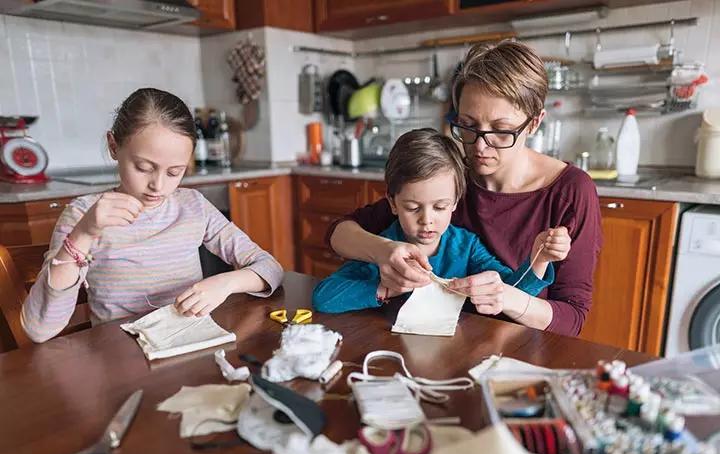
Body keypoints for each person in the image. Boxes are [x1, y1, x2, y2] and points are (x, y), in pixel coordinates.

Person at [325, 40, 602, 336]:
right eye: (468, 126)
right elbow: (340, 232)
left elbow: (572, 318)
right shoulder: (448, 175)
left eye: (499, 130)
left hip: (518, 350)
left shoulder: (571, 192)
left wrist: (506, 297)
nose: (479, 147)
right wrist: (383, 251)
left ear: (534, 123)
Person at [22, 88, 284, 343]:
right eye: (144, 168)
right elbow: (39, 329)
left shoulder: (193, 206)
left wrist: (226, 283)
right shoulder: (82, 215)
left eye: (174, 172)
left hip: (188, 345)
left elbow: (270, 268)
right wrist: (83, 234)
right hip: (121, 355)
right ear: (113, 146)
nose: (158, 185)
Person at [312, 128, 570, 314]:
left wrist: (539, 260)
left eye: (440, 207)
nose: (427, 220)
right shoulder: (385, 250)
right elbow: (324, 298)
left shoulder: (467, 248)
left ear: (455, 202)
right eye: (413, 208)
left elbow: (511, 289)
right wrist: (386, 289)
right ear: (392, 203)